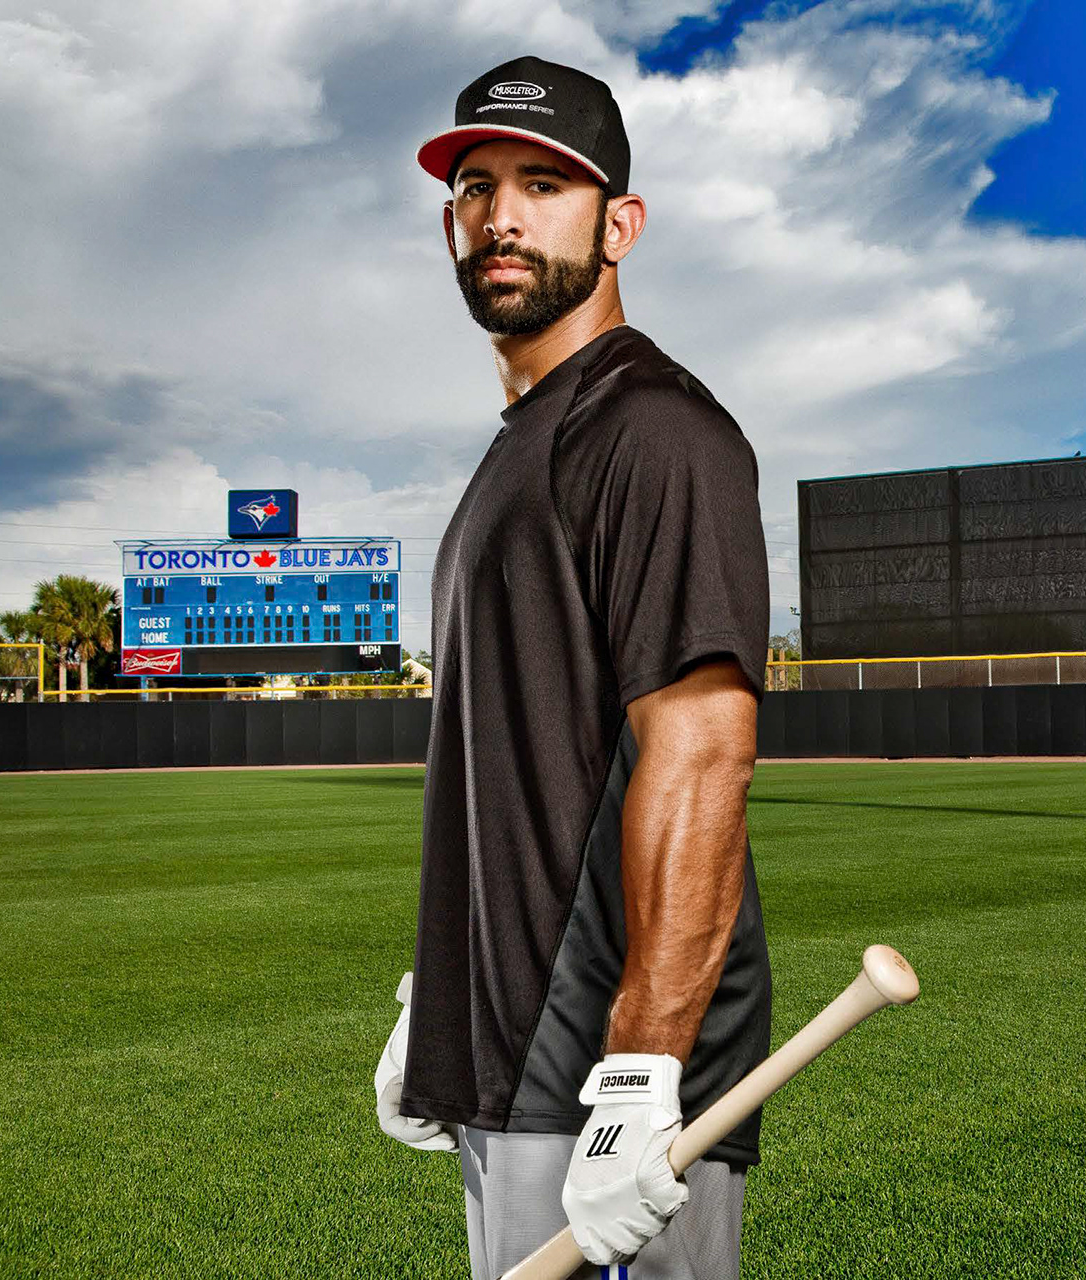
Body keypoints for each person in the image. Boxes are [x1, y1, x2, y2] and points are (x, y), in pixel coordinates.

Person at [371, 54, 774, 1280]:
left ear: (620, 224)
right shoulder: (523, 446)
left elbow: (702, 748)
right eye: (476, 185)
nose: (501, 214)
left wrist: (644, 1067)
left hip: (603, 1073)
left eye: (545, 184)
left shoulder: (652, 429)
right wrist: (437, 1009)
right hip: (511, 1056)